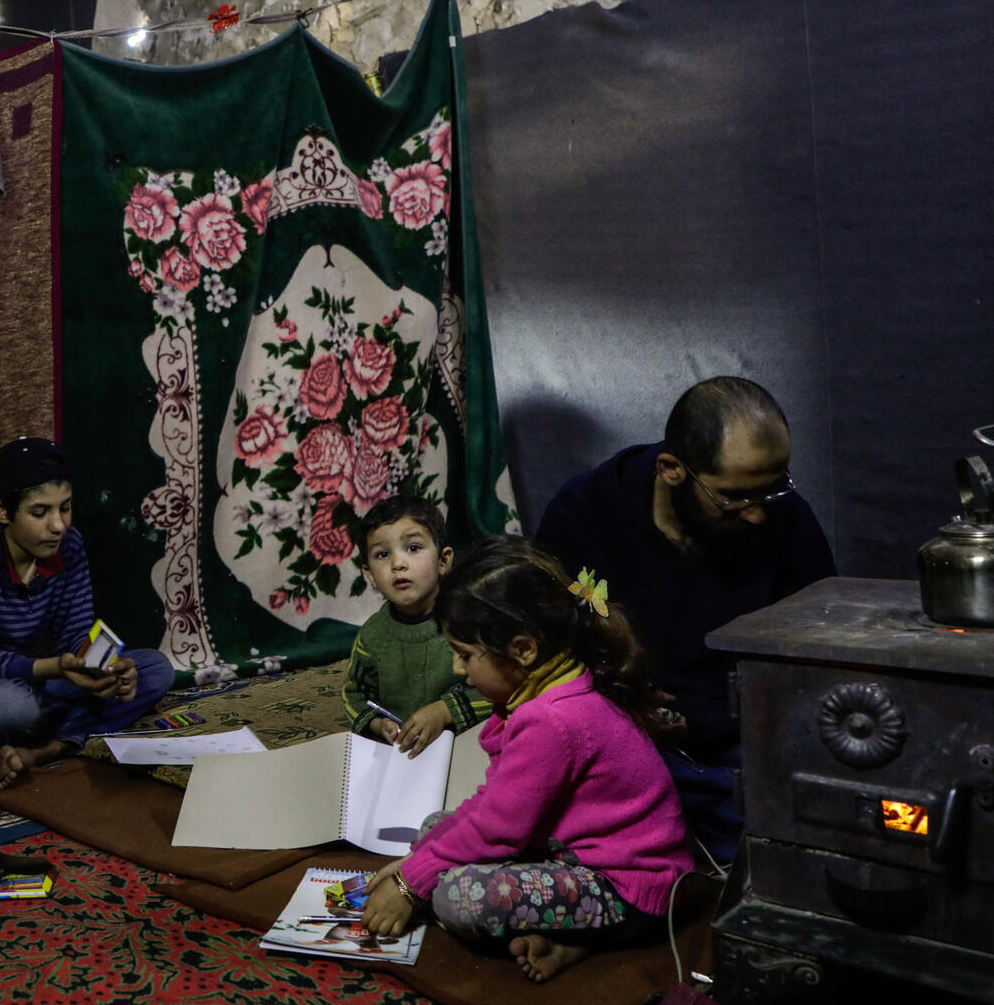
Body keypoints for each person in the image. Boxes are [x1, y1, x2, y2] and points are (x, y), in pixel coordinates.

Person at [360, 537, 693, 984]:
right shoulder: (555, 688)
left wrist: (411, 881)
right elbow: (495, 803)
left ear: (522, 650)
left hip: (630, 886)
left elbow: (498, 828)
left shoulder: (552, 720)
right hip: (572, 854)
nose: (458, 670)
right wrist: (420, 862)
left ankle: (589, 937)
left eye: (464, 655)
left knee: (459, 897)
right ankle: (571, 943)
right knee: (435, 828)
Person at [534, 376, 835, 863]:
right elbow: (548, 649)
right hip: (622, 745)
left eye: (774, 490)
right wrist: (622, 704)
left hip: (745, 750)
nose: (758, 515)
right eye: (734, 499)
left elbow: (821, 647)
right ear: (671, 469)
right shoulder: (584, 514)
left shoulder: (785, 517)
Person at [0, 436, 174, 789]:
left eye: (65, 507)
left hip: (32, 680)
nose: (58, 525)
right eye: (40, 512)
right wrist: (53, 668)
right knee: (13, 706)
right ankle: (42, 739)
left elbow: (76, 635)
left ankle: (39, 750)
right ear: (2, 511)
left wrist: (104, 669)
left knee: (155, 669)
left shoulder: (69, 545)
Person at [342, 494, 492, 758]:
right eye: (382, 554)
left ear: (443, 560)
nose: (398, 564)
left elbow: (502, 689)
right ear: (370, 576)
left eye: (413, 548)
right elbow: (355, 694)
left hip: (470, 749)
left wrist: (443, 711)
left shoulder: (469, 621)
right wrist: (378, 724)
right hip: (403, 755)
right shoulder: (373, 636)